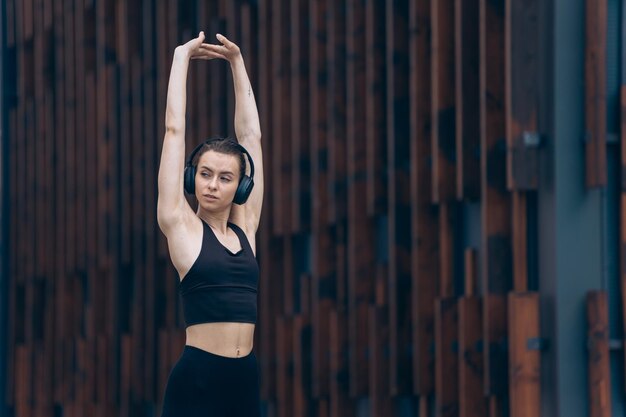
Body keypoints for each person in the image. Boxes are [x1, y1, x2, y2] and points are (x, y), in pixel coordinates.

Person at [157, 31, 264, 417]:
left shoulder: (246, 225)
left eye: (224, 177)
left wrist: (237, 63)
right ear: (192, 178)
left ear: (241, 186)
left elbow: (250, 134)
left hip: (245, 379)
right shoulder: (181, 226)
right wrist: (180, 59)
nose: (212, 185)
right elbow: (174, 129)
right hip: (198, 380)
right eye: (204, 174)